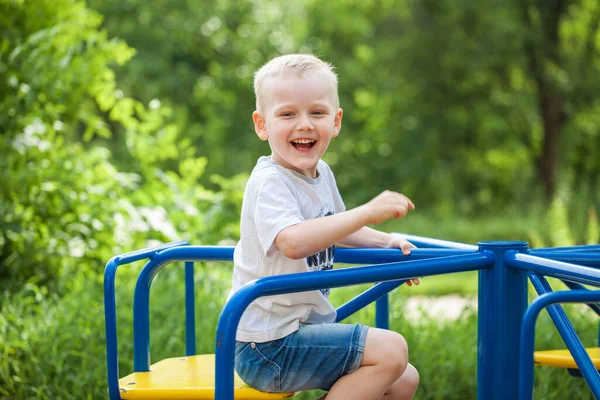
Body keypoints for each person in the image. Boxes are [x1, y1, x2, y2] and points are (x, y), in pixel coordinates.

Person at [228, 53, 420, 400]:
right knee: (391, 350)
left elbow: (336, 228)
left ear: (336, 121)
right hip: (266, 345)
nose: (304, 124)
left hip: (300, 332)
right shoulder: (271, 180)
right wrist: (367, 211)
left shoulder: (321, 174)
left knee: (403, 379)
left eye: (317, 112)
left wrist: (385, 243)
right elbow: (292, 241)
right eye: (287, 114)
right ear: (261, 124)